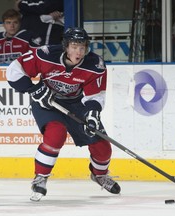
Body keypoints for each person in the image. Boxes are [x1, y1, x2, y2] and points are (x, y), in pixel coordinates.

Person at [6, 27, 121, 201]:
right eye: (74, 47)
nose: (79, 52)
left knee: (102, 147)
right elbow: (14, 71)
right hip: (47, 102)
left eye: (82, 47)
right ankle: (40, 178)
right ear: (66, 46)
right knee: (55, 134)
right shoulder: (45, 54)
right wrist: (35, 89)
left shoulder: (94, 64)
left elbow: (95, 95)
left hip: (76, 104)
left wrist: (92, 114)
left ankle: (99, 174)